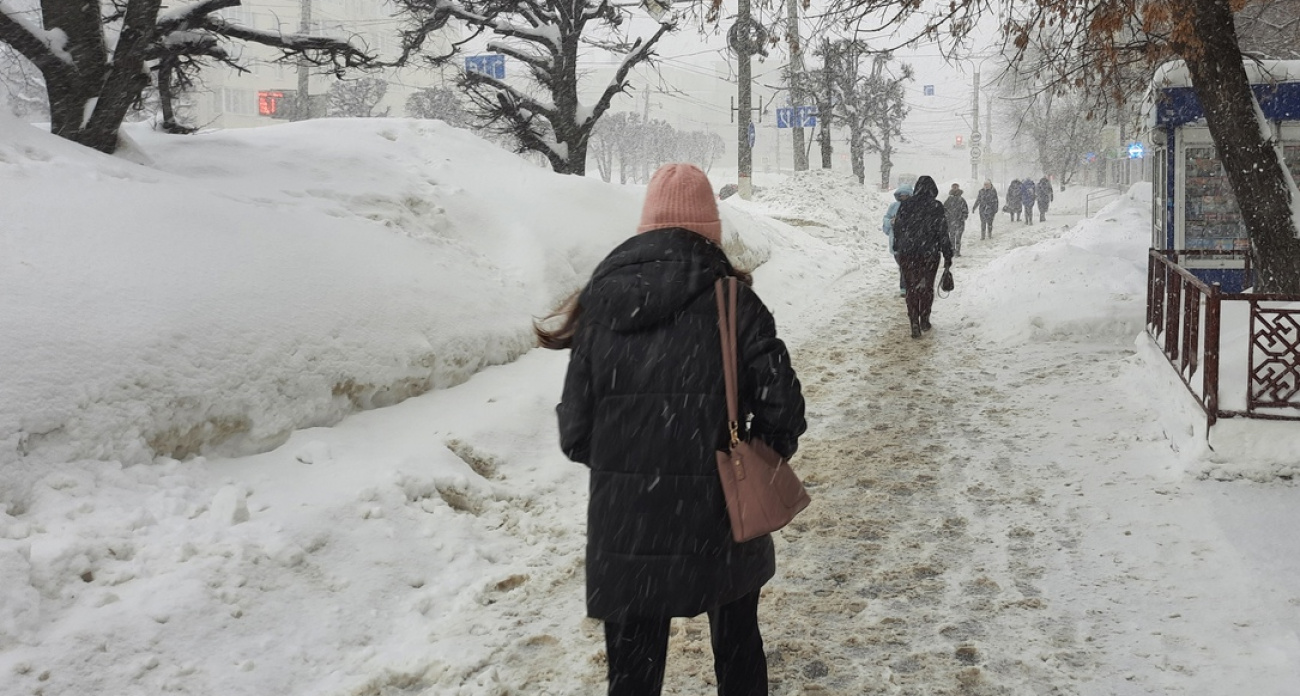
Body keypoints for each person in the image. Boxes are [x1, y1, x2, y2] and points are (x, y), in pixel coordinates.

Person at [540, 162, 807, 696]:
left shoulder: (600, 303)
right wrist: (751, 455)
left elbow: (575, 431)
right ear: (710, 230)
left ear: (647, 226)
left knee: (633, 679)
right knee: (738, 654)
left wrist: (634, 463)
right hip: (721, 517)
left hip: (628, 526)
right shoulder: (733, 302)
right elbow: (785, 410)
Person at [893, 175, 954, 339]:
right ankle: (925, 319)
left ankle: (913, 321)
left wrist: (898, 247)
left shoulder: (906, 205)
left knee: (911, 288)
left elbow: (898, 228)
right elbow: (943, 232)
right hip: (930, 253)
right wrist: (947, 254)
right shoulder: (936, 206)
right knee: (927, 287)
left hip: (908, 253)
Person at [882, 184, 913, 296]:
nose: (903, 197)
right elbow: (886, 218)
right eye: (901, 195)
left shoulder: (916, 207)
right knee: (903, 265)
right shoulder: (894, 206)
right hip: (897, 241)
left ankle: (905, 287)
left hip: (911, 242)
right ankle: (906, 285)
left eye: (906, 195)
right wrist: (891, 222)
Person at [943, 183, 970, 257]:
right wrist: (946, 217)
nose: (955, 188)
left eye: (956, 187)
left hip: (960, 222)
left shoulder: (961, 199)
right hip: (950, 222)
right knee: (952, 238)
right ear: (952, 188)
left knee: (958, 238)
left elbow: (965, 209)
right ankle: (952, 251)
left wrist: (964, 217)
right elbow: (944, 209)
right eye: (953, 187)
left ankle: (957, 251)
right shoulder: (948, 199)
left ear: (958, 188)